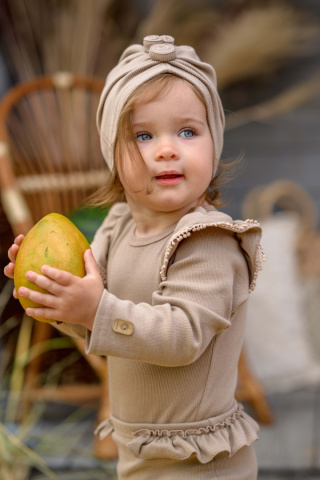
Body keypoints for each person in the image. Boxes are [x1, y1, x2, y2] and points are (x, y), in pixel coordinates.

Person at [5, 35, 264, 479]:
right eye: (143, 135)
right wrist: (60, 302)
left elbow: (181, 337)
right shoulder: (117, 226)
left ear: (213, 143)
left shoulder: (209, 241)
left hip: (199, 461)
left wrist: (96, 309)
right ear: (113, 154)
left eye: (187, 131)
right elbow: (99, 321)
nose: (167, 148)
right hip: (138, 451)